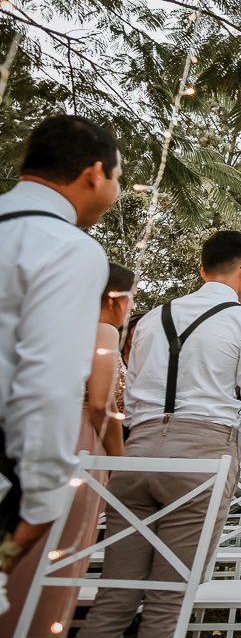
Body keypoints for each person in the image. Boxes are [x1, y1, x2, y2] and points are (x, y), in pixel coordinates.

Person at [80, 230, 241, 638]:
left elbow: (132, 398)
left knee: (114, 598)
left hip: (137, 454)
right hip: (202, 458)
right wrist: (229, 452)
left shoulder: (152, 318)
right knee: (168, 603)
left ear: (203, 270)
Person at [0, 115, 118, 582]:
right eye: (118, 177)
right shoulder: (68, 248)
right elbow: (48, 386)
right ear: (95, 173)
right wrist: (43, 502)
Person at [0, 262, 131, 634]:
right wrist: (121, 462)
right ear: (114, 298)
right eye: (131, 298)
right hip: (84, 441)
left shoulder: (54, 329)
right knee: (63, 548)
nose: (132, 307)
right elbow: (103, 405)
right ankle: (37, 626)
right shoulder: (103, 330)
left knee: (31, 534)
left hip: (47, 435)